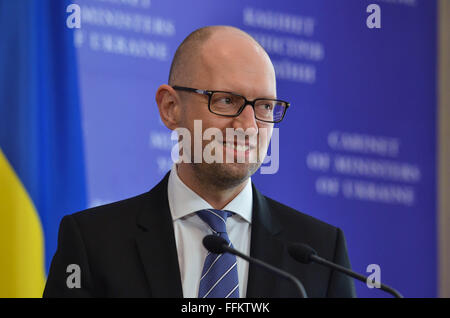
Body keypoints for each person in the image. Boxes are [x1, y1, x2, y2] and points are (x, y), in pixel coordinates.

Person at [43, 25, 356, 298]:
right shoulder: (93, 243)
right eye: (226, 100)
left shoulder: (320, 253)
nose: (248, 126)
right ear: (170, 108)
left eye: (264, 106)